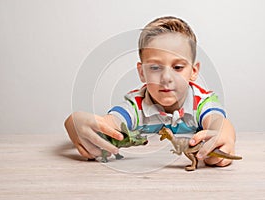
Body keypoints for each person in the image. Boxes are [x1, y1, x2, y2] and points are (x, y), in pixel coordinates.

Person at [64, 16, 236, 167]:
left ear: (193, 71)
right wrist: (75, 122)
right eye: (155, 67)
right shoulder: (135, 106)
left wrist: (224, 137)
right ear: (141, 72)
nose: (167, 78)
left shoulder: (203, 102)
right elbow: (108, 125)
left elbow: (219, 123)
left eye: (177, 67)